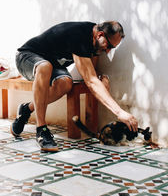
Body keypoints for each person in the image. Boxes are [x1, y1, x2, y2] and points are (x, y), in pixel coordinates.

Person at [11, 21, 138, 152]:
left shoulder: (95, 43)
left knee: (66, 83)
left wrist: (103, 78)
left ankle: (27, 109)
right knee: (44, 67)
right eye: (109, 46)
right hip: (27, 56)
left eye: (112, 48)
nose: (108, 51)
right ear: (100, 34)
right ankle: (41, 129)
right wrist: (120, 112)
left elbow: (91, 73)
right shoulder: (80, 36)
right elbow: (91, 81)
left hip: (52, 64)